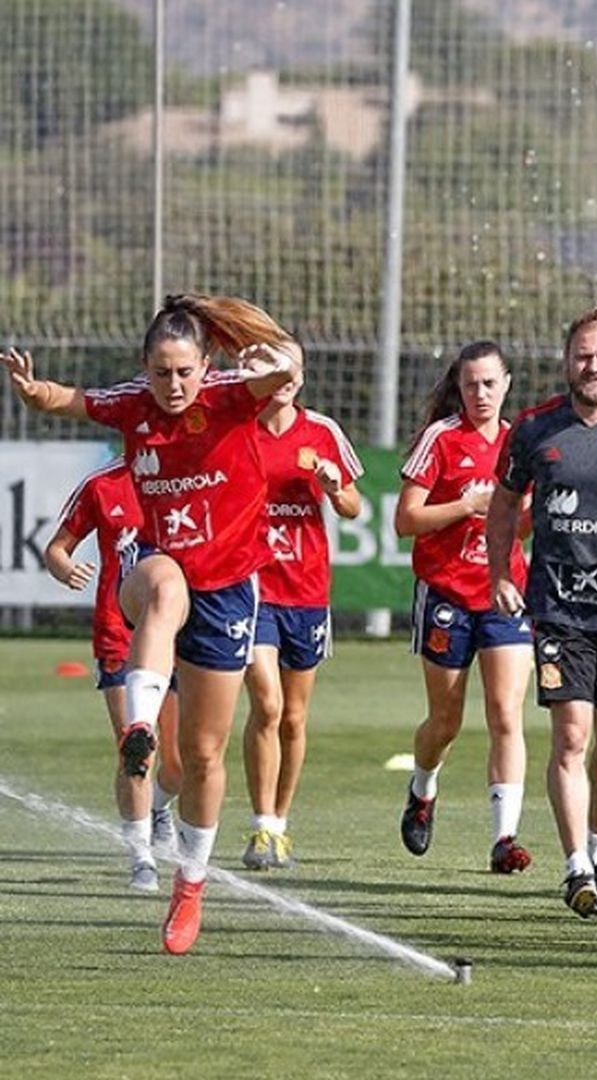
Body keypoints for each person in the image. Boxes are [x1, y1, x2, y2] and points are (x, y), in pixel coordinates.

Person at [5, 294, 299, 954]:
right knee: (163, 585)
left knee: (200, 755)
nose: (172, 386)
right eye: (162, 372)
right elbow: (67, 399)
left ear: (204, 366)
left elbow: (286, 374)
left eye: (184, 372)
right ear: (146, 365)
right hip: (159, 571)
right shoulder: (134, 403)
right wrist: (31, 392)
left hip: (228, 592)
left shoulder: (231, 393)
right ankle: (138, 724)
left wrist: (264, 354)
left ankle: (189, 886)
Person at [492, 308, 597, 918]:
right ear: (567, 360)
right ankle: (576, 869)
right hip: (559, 608)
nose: (593, 366)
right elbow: (504, 505)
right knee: (572, 737)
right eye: (583, 355)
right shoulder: (534, 430)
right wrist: (502, 572)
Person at [396, 342, 535, 873]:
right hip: (447, 593)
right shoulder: (442, 439)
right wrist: (466, 506)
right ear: (459, 387)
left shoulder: (520, 441)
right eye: (471, 384)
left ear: (507, 384)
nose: (480, 393)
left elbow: (521, 527)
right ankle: (423, 788)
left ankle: (505, 838)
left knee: (506, 713)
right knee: (446, 721)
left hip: (503, 591)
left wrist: (533, 514)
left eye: (489, 383)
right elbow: (406, 520)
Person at [239, 346, 363, 870]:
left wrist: (336, 489)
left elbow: (354, 506)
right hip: (252, 587)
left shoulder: (322, 432)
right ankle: (261, 824)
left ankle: (282, 825)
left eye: (292, 370)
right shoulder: (238, 428)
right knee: (265, 704)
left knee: (293, 716)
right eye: (274, 370)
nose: (285, 379)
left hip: (307, 591)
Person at [46, 459, 181, 891]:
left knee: (179, 763)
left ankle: (159, 807)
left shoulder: (191, 474)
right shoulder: (102, 485)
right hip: (118, 634)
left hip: (181, 634)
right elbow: (56, 548)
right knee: (136, 750)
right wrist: (64, 568)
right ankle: (140, 855)